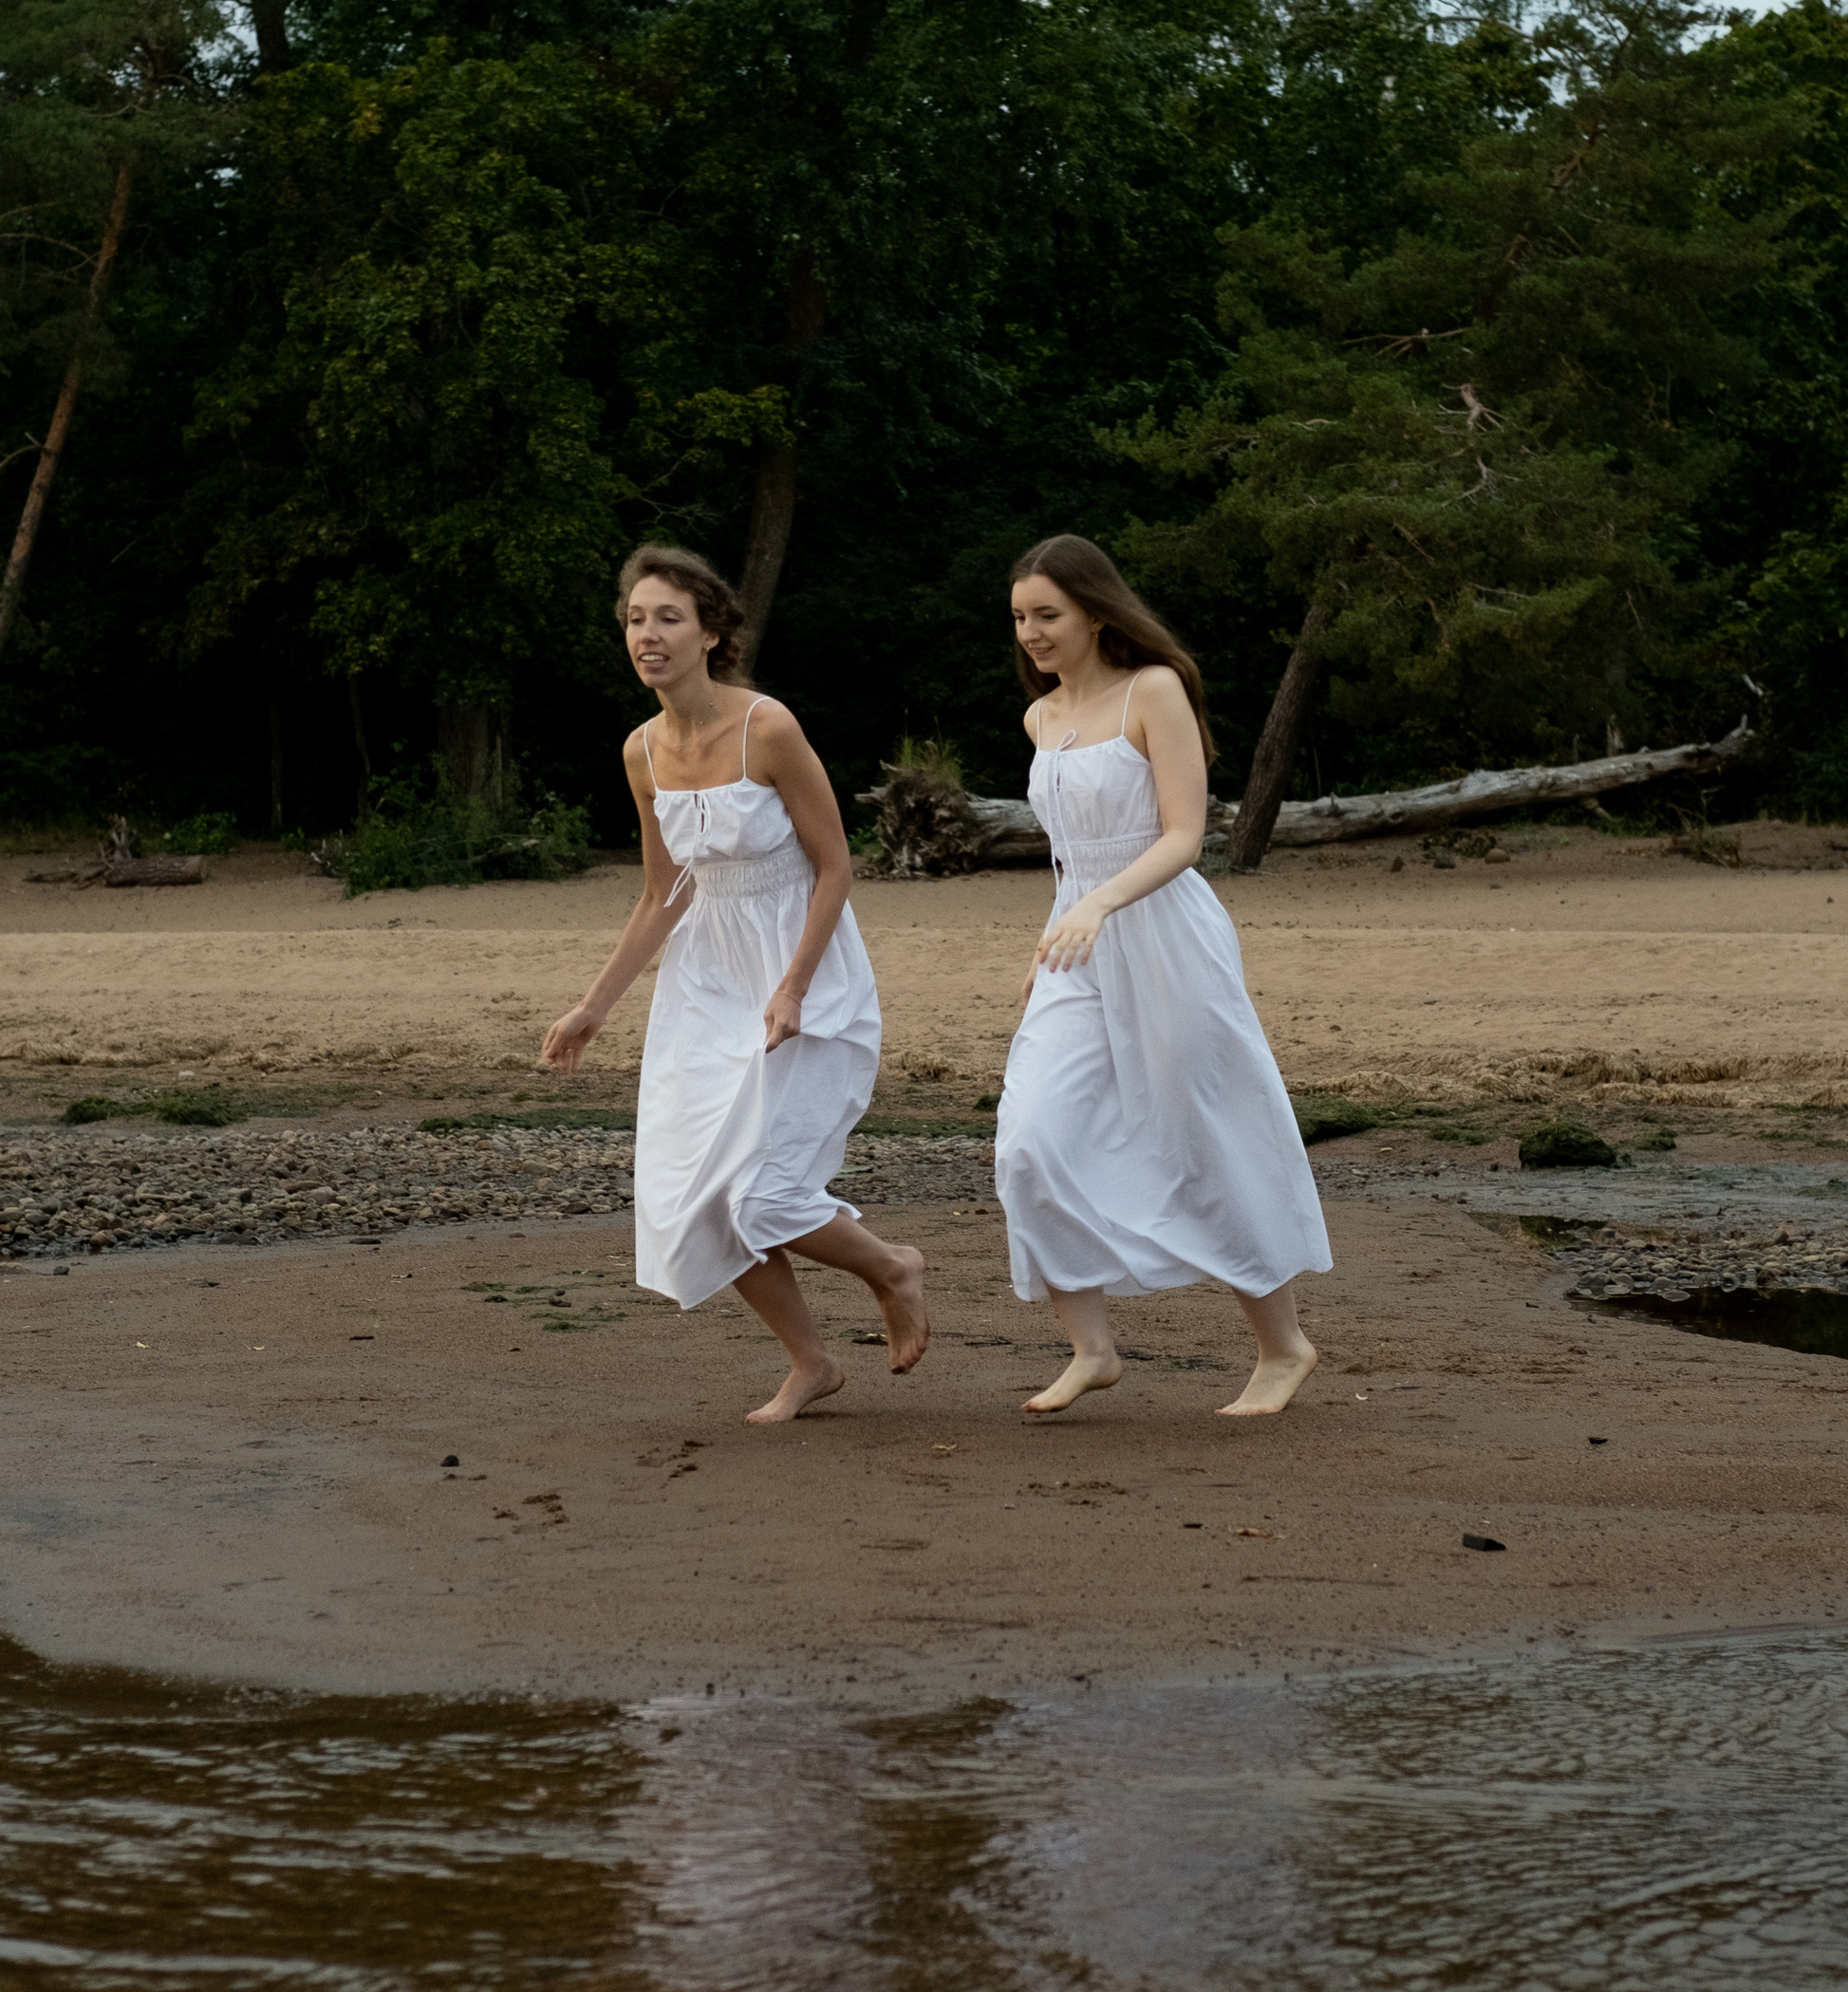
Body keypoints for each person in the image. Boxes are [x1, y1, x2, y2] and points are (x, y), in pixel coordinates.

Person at [541, 544, 930, 1424]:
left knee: (764, 1191)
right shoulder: (642, 752)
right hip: (705, 987)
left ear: (711, 633)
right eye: (635, 620)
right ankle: (811, 1362)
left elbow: (835, 867)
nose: (648, 635)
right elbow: (663, 892)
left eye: (668, 618)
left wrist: (792, 987)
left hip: (803, 974)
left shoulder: (768, 728)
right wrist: (594, 1006)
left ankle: (891, 1267)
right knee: (697, 1192)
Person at [995, 533, 1332, 1420]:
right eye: (1020, 617)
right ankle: (1093, 1349)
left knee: (1201, 1134)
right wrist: (1052, 939)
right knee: (1030, 1139)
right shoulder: (1040, 718)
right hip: (1075, 952)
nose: (1031, 632)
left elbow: (1184, 836)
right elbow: (1069, 861)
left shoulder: (1154, 690)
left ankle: (1283, 1346)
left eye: (1047, 614)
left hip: (1166, 938)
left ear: (1095, 611)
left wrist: (1101, 905)